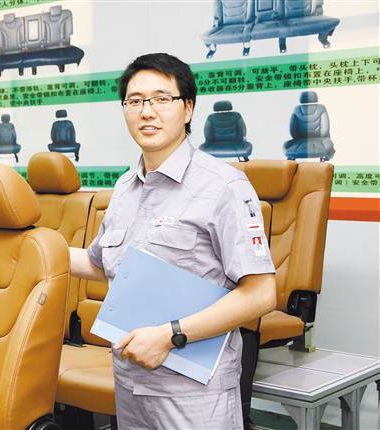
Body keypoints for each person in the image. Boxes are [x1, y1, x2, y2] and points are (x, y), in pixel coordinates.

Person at [69, 53, 276, 430]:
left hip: (193, 390)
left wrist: (171, 335)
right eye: (135, 101)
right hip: (129, 379)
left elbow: (261, 294)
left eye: (162, 99)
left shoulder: (224, 187)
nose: (147, 112)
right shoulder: (124, 187)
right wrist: (34, 251)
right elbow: (102, 265)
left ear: (188, 108)